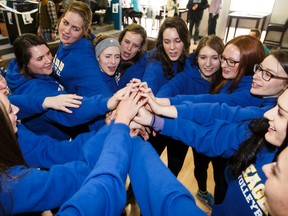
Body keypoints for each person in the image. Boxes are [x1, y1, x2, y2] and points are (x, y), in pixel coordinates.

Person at [133, 50, 288, 215]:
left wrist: (160, 109)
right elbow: (212, 135)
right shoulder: (262, 127)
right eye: (259, 69)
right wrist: (155, 117)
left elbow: (218, 109)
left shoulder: (257, 109)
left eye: (281, 112)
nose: (269, 114)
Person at [5, 33, 129, 140]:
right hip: (59, 143)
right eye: (40, 58)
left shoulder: (21, 68)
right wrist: (107, 102)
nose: (49, 60)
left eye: (48, 53)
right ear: (25, 64)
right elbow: (71, 111)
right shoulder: (34, 88)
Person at [154, 35, 225, 209]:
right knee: (174, 168)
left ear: (222, 59)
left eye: (214, 58)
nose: (208, 63)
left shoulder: (226, 80)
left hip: (208, 134)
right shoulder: (188, 75)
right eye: (203, 57)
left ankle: (207, 196)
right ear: (196, 57)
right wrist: (155, 102)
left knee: (211, 171)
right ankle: (156, 203)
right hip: (183, 131)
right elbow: (169, 89)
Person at [52, 1, 112, 97]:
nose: (67, 31)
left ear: (83, 31)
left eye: (75, 28)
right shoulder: (68, 40)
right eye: (65, 23)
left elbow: (102, 95)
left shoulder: (84, 57)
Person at [114, 23, 148, 92]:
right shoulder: (112, 54)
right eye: (127, 42)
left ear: (140, 48)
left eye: (135, 46)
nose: (129, 48)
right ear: (120, 40)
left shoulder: (139, 70)